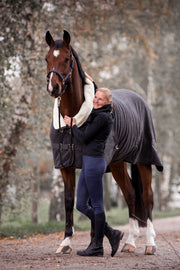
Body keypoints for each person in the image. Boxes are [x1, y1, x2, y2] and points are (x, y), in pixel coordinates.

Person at [64, 86, 124, 257]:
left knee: (97, 204)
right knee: (81, 205)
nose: (96, 100)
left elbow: (83, 138)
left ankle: (98, 246)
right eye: (95, 97)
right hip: (88, 163)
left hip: (94, 164)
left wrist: (72, 125)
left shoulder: (103, 118)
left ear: (108, 103)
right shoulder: (97, 114)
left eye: (100, 99)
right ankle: (111, 233)